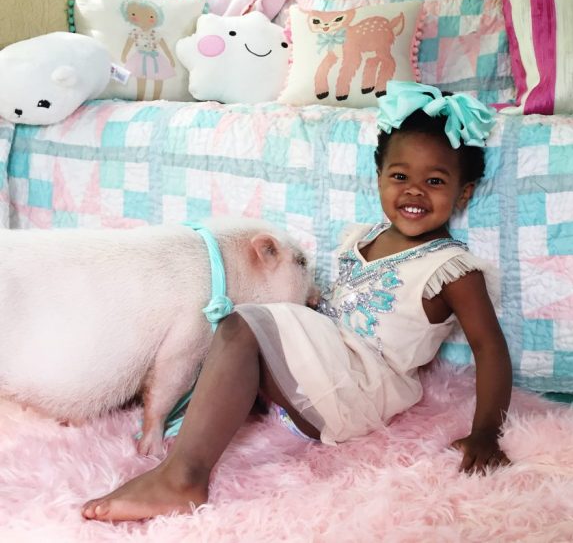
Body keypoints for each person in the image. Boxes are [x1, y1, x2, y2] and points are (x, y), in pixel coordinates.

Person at [82, 81, 513, 522]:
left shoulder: (451, 269)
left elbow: (489, 348)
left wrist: (485, 433)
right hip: (321, 371)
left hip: (360, 388)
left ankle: (183, 478)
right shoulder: (362, 237)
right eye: (400, 176)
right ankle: (188, 416)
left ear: (463, 193)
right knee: (227, 322)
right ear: (379, 175)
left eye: (435, 181)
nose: (414, 192)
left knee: (244, 324)